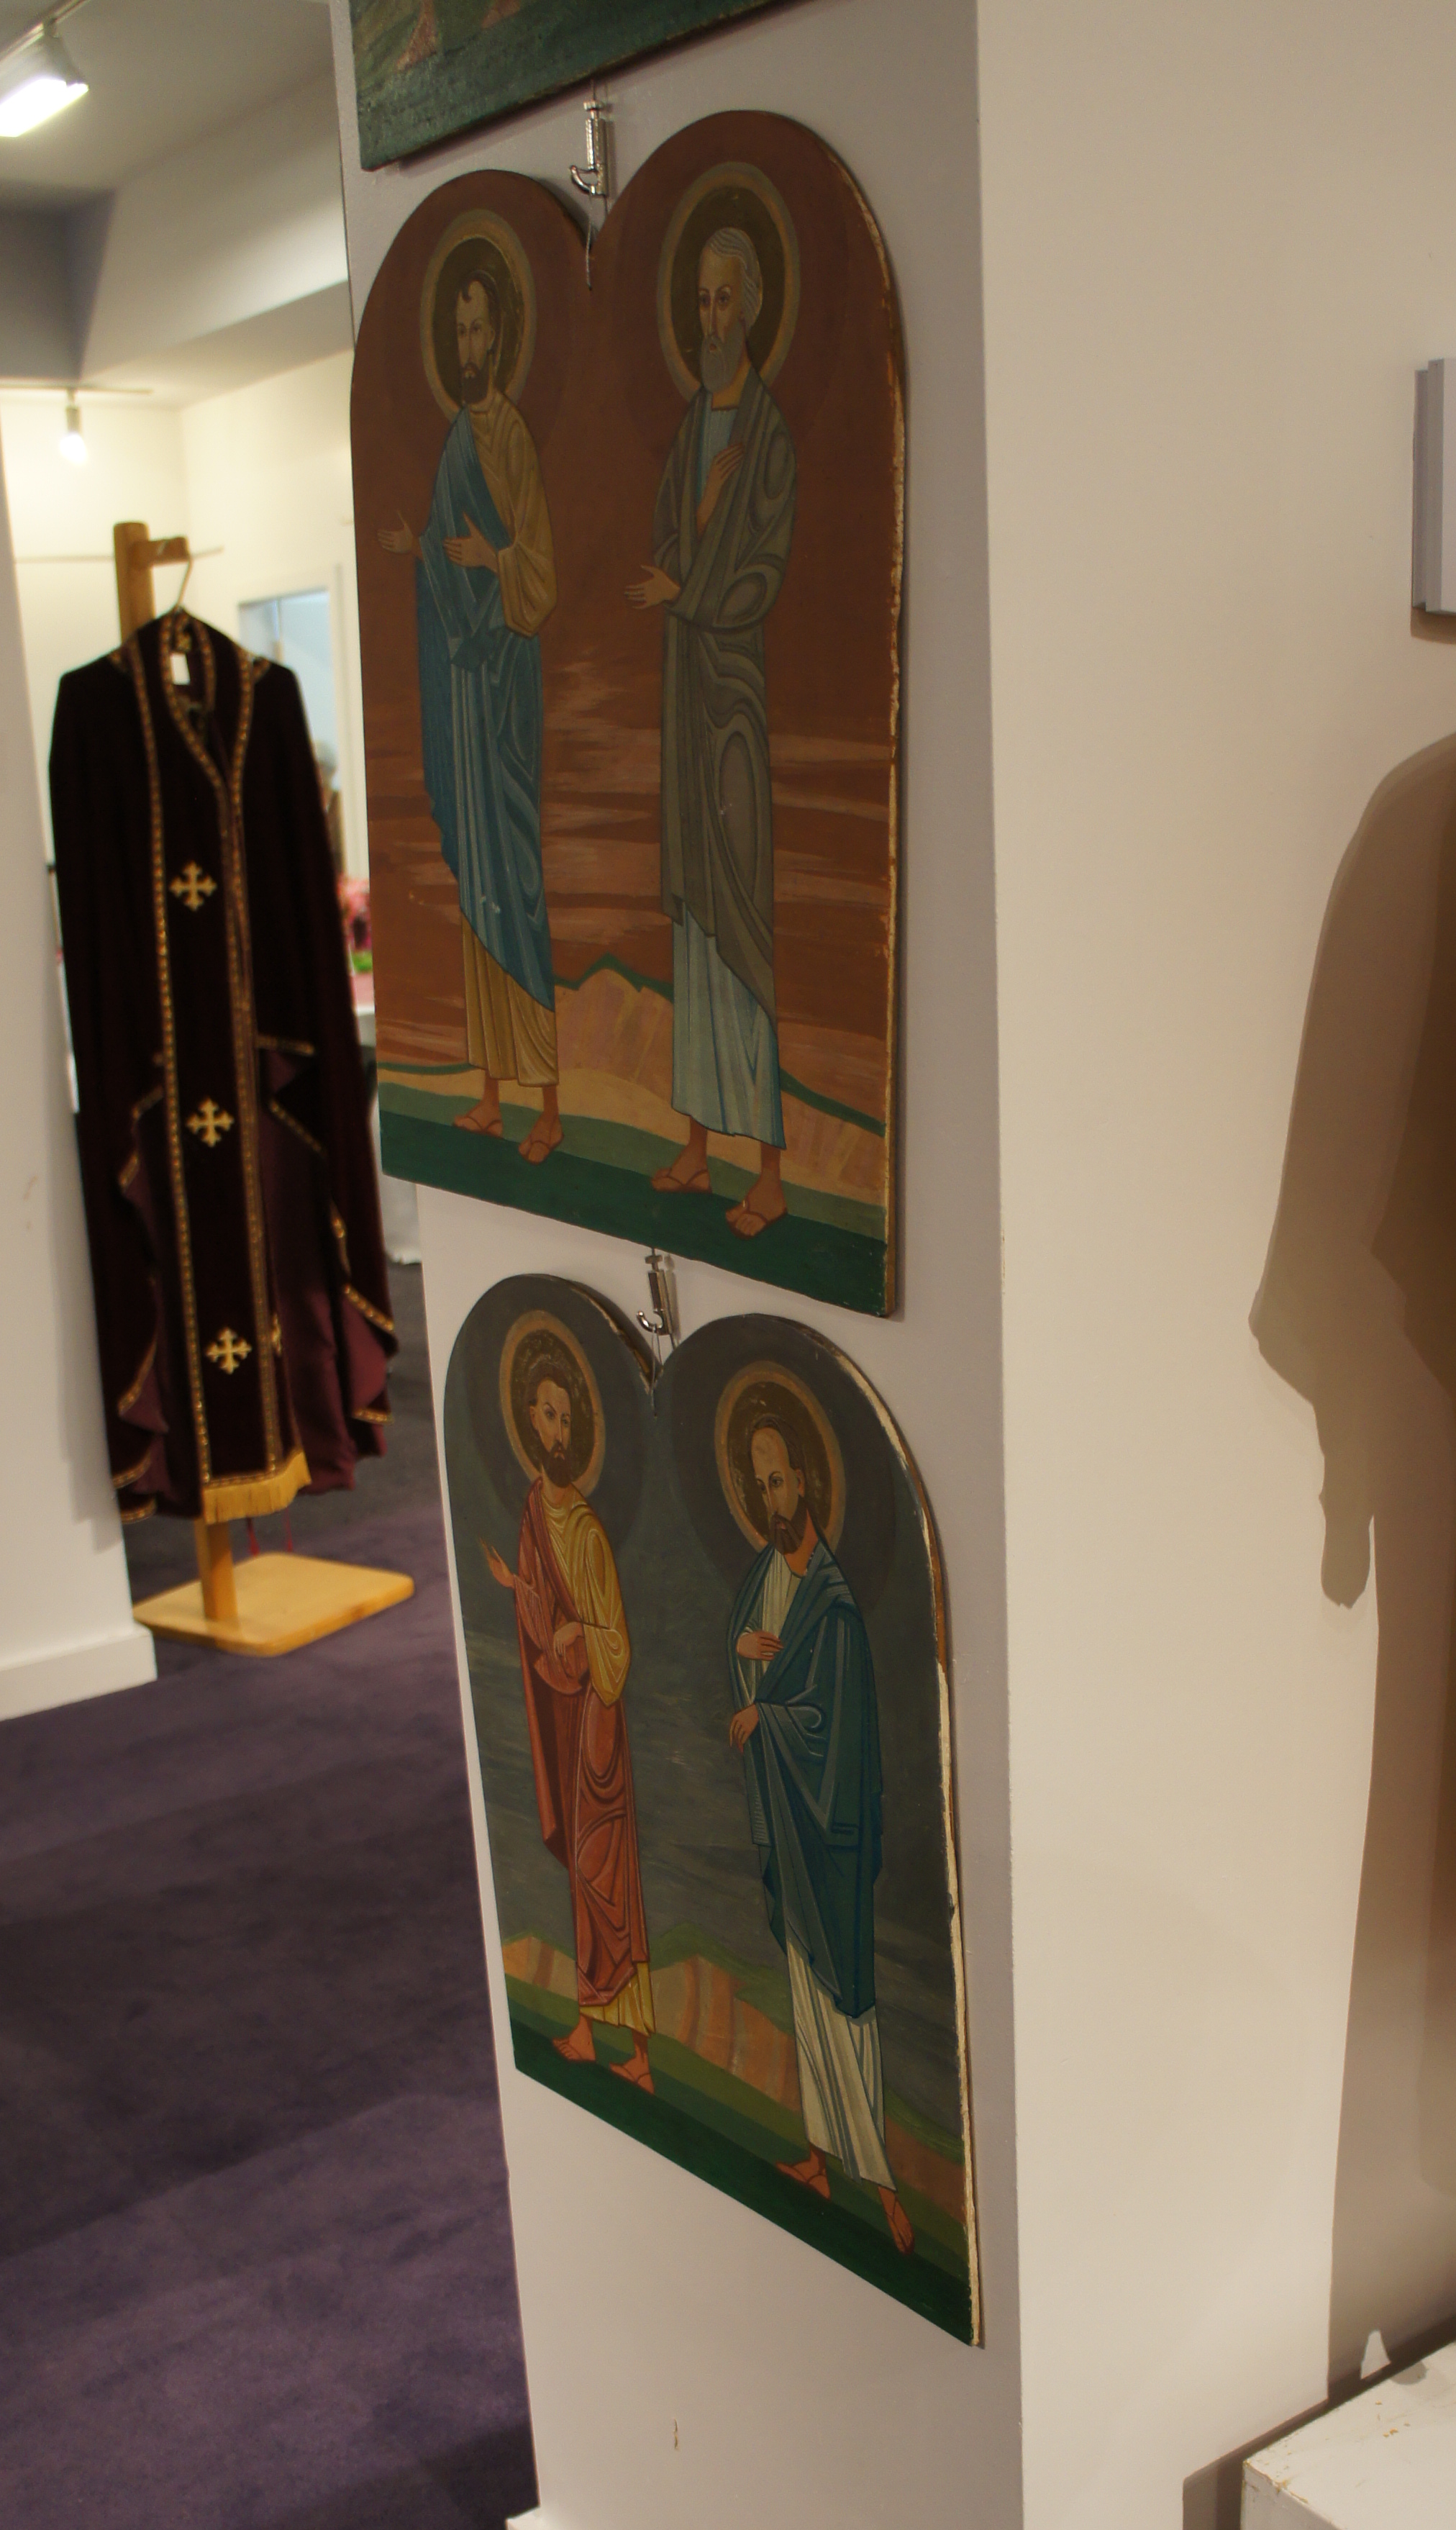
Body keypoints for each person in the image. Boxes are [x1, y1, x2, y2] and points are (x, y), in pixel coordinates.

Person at [627, 228, 797, 1239]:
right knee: (694, 919)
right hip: (685, 699)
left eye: (725, 299)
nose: (711, 318)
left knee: (741, 914)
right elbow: (665, 542)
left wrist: (688, 590)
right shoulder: (696, 422)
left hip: (733, 701)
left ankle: (768, 1167)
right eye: (700, 300)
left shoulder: (765, 435)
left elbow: (762, 573)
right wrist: (693, 526)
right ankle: (697, 1142)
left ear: (754, 305)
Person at [380, 267, 563, 1161]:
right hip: (463, 694)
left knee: (516, 885)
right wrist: (416, 550)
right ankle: (491, 1092)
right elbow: (442, 548)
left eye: (478, 330)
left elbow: (538, 573)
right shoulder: (458, 437)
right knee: (476, 889)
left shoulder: (511, 437)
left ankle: (550, 1101)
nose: (468, 347)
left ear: (502, 336)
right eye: (457, 332)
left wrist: (493, 560)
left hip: (504, 691)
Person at [727, 1420, 911, 2250]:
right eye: (758, 1485)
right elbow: (745, 1657)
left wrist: (763, 1716)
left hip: (829, 1830)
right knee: (803, 1984)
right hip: (788, 1818)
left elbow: (830, 1730)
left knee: (844, 1989)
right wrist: (741, 1653)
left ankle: (881, 2182)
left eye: (778, 1481)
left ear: (804, 1481)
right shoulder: (765, 1577)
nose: (770, 1500)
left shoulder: (831, 1606)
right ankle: (817, 2150)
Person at [485, 1356, 655, 2085]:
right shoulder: (535, 1509)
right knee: (585, 1887)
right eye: (547, 1415)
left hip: (596, 1726)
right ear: (530, 1420)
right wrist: (520, 1589)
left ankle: (640, 2052)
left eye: (566, 1418)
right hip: (564, 1712)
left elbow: (615, 1642)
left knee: (605, 1879)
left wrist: (577, 1633)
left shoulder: (583, 1529)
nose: (557, 1431)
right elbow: (542, 1617)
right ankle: (592, 2029)